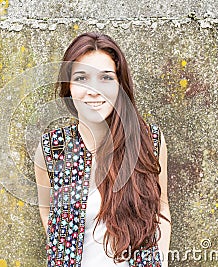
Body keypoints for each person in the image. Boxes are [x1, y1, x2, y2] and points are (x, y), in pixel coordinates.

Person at [34, 32, 171, 267]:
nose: (93, 91)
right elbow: (48, 214)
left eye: (105, 78)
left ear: (120, 84)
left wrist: (162, 260)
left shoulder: (149, 140)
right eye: (81, 78)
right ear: (68, 86)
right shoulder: (52, 148)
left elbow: (161, 208)